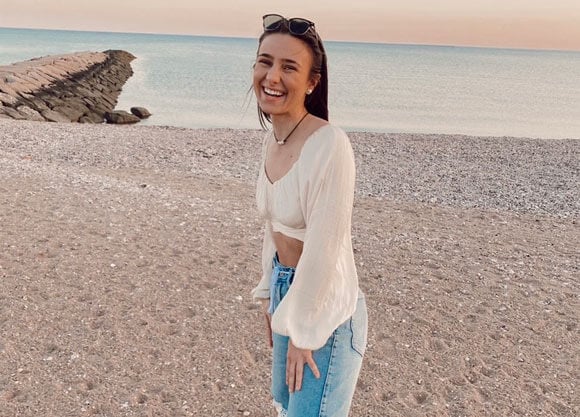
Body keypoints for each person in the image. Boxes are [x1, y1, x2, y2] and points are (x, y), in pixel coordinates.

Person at [251, 14, 368, 417]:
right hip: (288, 293)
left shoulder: (329, 144)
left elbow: (325, 243)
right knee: (287, 409)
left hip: (323, 304)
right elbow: (274, 228)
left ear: (312, 82)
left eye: (289, 67)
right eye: (265, 61)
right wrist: (270, 294)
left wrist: (303, 328)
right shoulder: (272, 140)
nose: (272, 76)